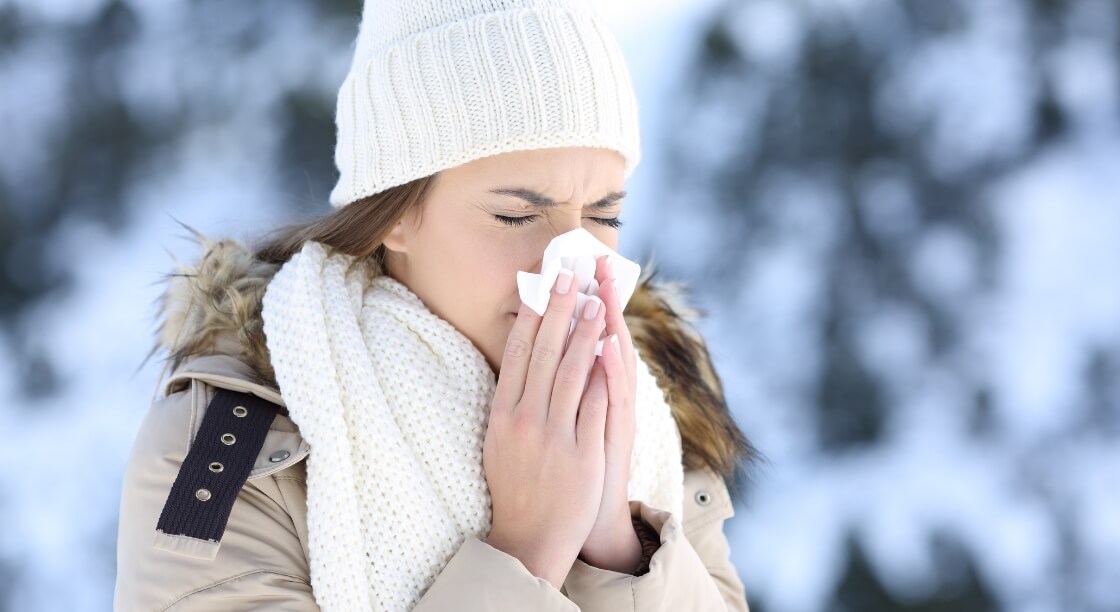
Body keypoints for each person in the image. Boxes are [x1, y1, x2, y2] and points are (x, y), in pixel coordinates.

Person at [114, 0, 757, 609]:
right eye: (516, 215)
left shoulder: (649, 411)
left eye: (603, 214)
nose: (574, 266)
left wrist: (615, 541)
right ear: (396, 214)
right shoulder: (230, 447)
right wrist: (528, 550)